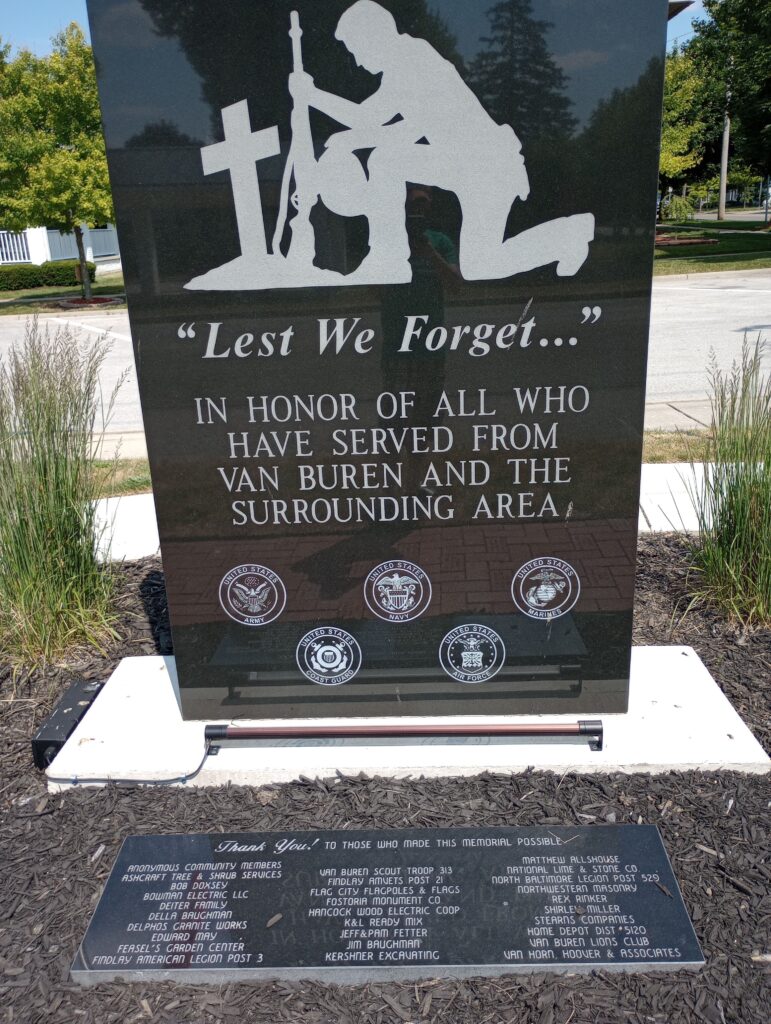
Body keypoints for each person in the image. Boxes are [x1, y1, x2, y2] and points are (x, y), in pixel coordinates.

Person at [289, 0, 594, 283]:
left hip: (487, 166)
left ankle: (570, 234)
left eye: (356, 50)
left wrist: (312, 95)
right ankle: (388, 255)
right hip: (462, 163)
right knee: (388, 161)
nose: (356, 61)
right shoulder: (407, 63)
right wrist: (349, 139)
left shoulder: (412, 60)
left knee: (479, 264)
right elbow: (403, 129)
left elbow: (372, 119)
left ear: (373, 37)